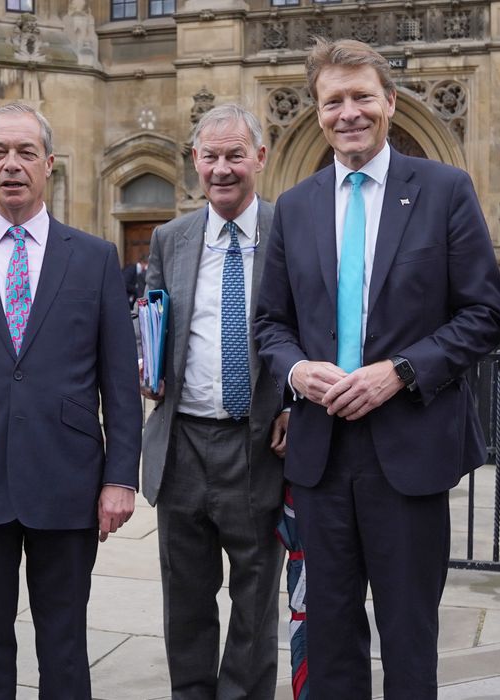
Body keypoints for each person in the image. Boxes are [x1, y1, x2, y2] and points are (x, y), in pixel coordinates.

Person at [253, 39, 500, 699]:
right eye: (332, 101)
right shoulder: (295, 206)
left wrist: (400, 371)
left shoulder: (444, 190)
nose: (348, 113)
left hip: (410, 449)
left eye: (361, 96)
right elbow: (269, 323)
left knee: (408, 637)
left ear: (389, 102)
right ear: (316, 113)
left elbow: (484, 314)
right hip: (320, 455)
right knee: (329, 638)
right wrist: (296, 371)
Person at [0, 102, 141, 698]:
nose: (13, 164)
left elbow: (120, 382)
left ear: (49, 164)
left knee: (64, 644)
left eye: (26, 152)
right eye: (0, 153)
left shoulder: (93, 258)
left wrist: (121, 478)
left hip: (68, 479)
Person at [139, 103, 287, 700]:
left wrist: (296, 405)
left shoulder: (290, 231)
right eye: (210, 156)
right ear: (195, 161)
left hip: (257, 443)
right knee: (185, 598)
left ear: (260, 157)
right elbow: (153, 316)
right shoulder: (170, 237)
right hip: (182, 443)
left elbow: (315, 328)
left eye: (235, 155)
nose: (221, 169)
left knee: (255, 598)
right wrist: (147, 364)